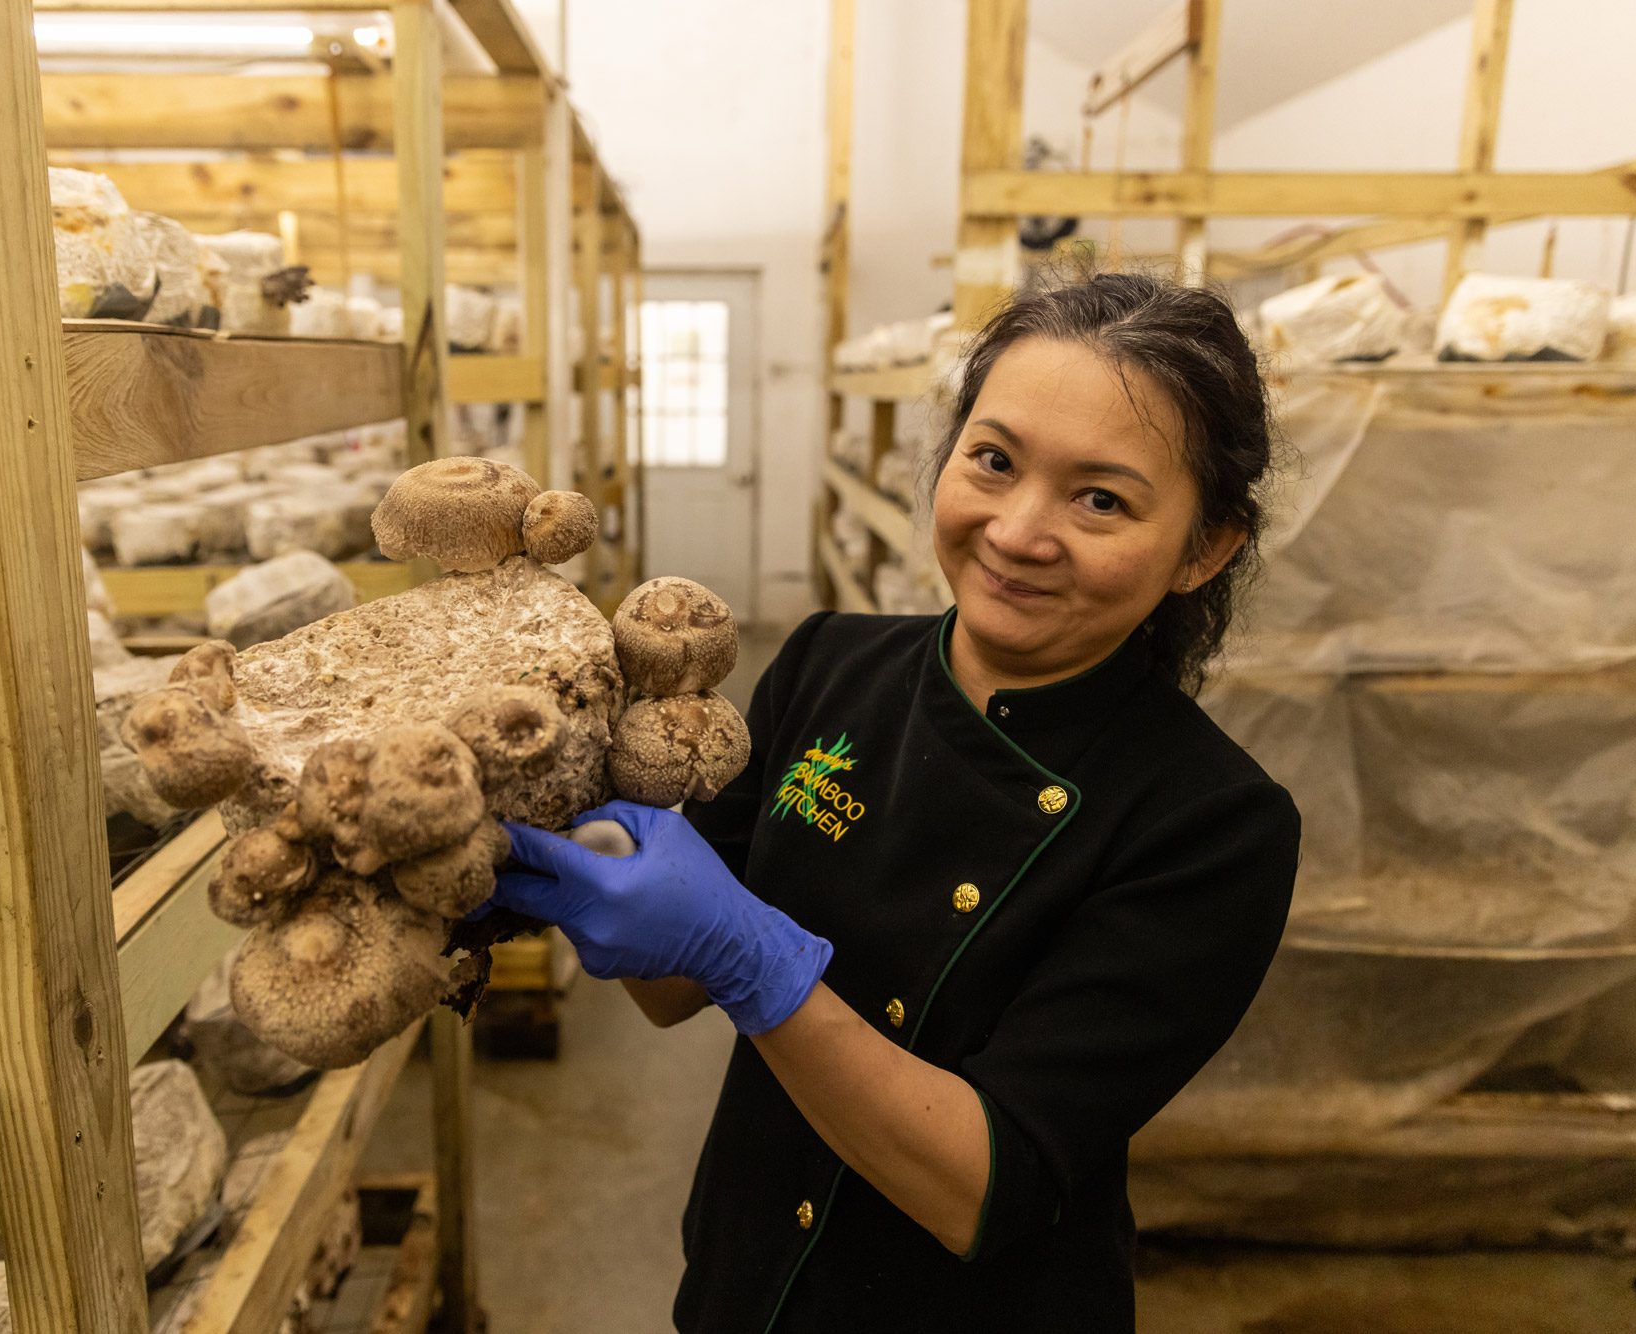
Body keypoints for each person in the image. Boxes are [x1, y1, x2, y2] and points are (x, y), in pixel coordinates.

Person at [488, 270, 1301, 1333]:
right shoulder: (827, 664)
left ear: (1203, 548)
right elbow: (670, 989)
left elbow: (977, 1187)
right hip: (740, 1281)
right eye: (992, 460)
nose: (1016, 530)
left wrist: (756, 960)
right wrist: (566, 845)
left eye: (1099, 498)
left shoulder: (1210, 824)